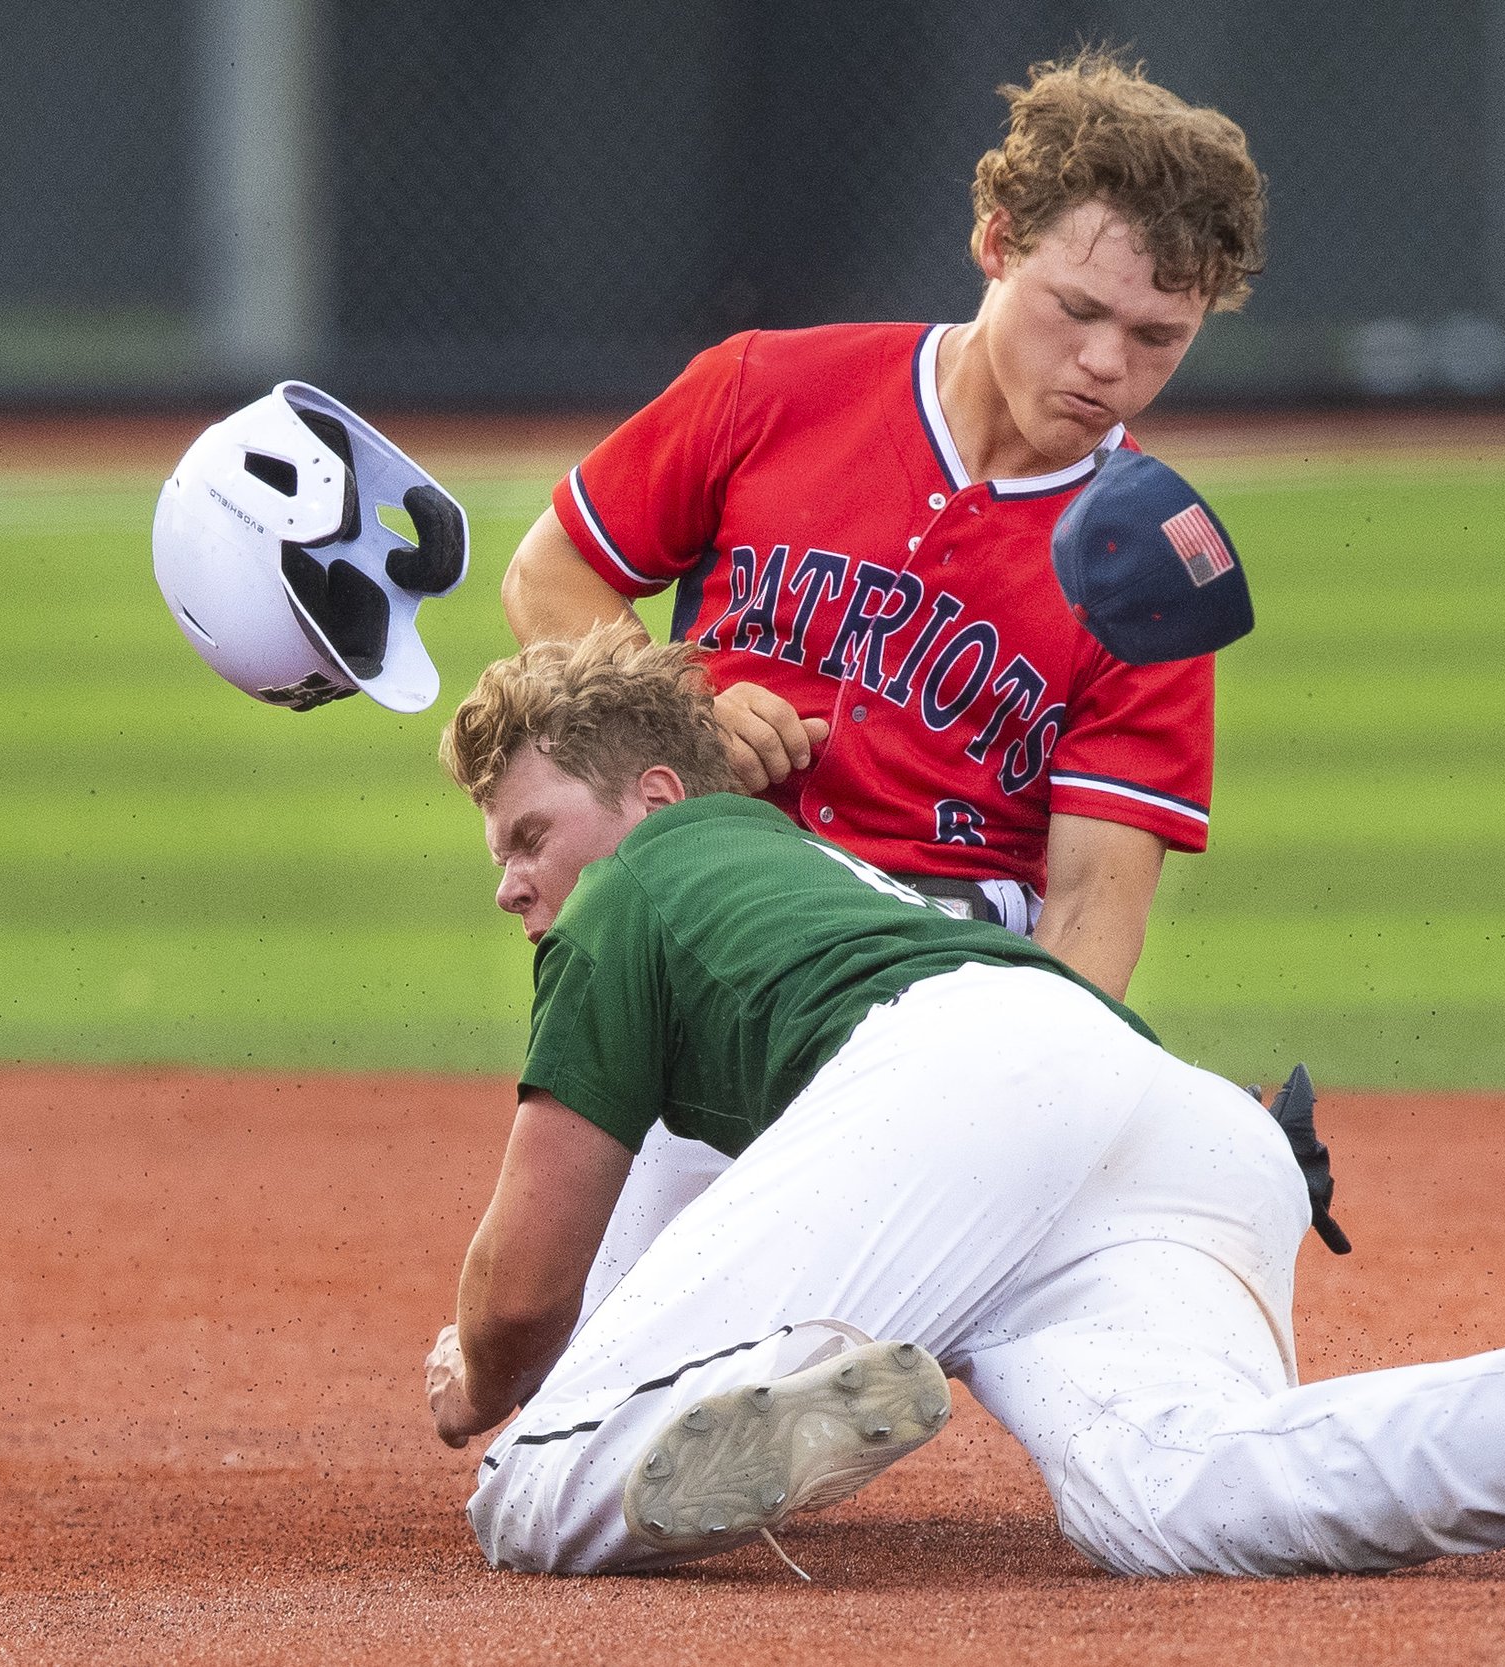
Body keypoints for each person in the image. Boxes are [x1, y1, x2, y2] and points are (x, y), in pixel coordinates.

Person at [423, 628, 1505, 1582]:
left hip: (960, 1082)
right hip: (1163, 1107)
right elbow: (645, 1228)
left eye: (531, 831)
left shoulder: (630, 898)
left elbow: (519, 1303)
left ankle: (797, 1377)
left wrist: (474, 1384)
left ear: (659, 791)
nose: (511, 880)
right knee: (1182, 1498)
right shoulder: (780, 900)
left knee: (529, 1488)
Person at [502, 50, 1277, 1313]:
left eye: (1155, 338)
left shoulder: (1155, 575)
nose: (1104, 365)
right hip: (716, 951)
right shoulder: (773, 387)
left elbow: (1093, 905)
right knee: (568, 1398)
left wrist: (1014, 1126)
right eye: (1074, 307)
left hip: (935, 990)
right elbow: (550, 578)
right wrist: (680, 700)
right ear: (993, 241)